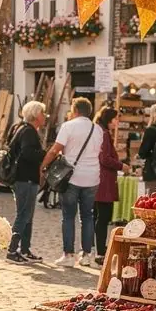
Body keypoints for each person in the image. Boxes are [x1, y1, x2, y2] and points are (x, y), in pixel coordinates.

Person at [42, 95, 103, 267]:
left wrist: (43, 165)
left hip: (71, 178)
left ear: (75, 111)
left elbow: (55, 150)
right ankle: (87, 254)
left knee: (68, 216)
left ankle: (68, 255)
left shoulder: (68, 126)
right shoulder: (97, 129)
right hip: (92, 177)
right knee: (88, 217)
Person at [6, 100, 46, 264]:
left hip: (25, 178)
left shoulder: (21, 128)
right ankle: (12, 250)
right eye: (43, 113)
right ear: (36, 115)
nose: (45, 117)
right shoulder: (28, 131)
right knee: (23, 215)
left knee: (27, 215)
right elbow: (27, 153)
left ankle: (25, 249)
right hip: (25, 178)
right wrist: (45, 154)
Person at [93, 104, 126, 263]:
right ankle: (99, 250)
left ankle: (96, 248)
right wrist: (121, 165)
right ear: (109, 119)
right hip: (104, 182)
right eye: (115, 118)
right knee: (103, 217)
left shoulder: (100, 131)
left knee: (98, 217)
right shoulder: (104, 134)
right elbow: (104, 158)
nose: (117, 122)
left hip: (99, 180)